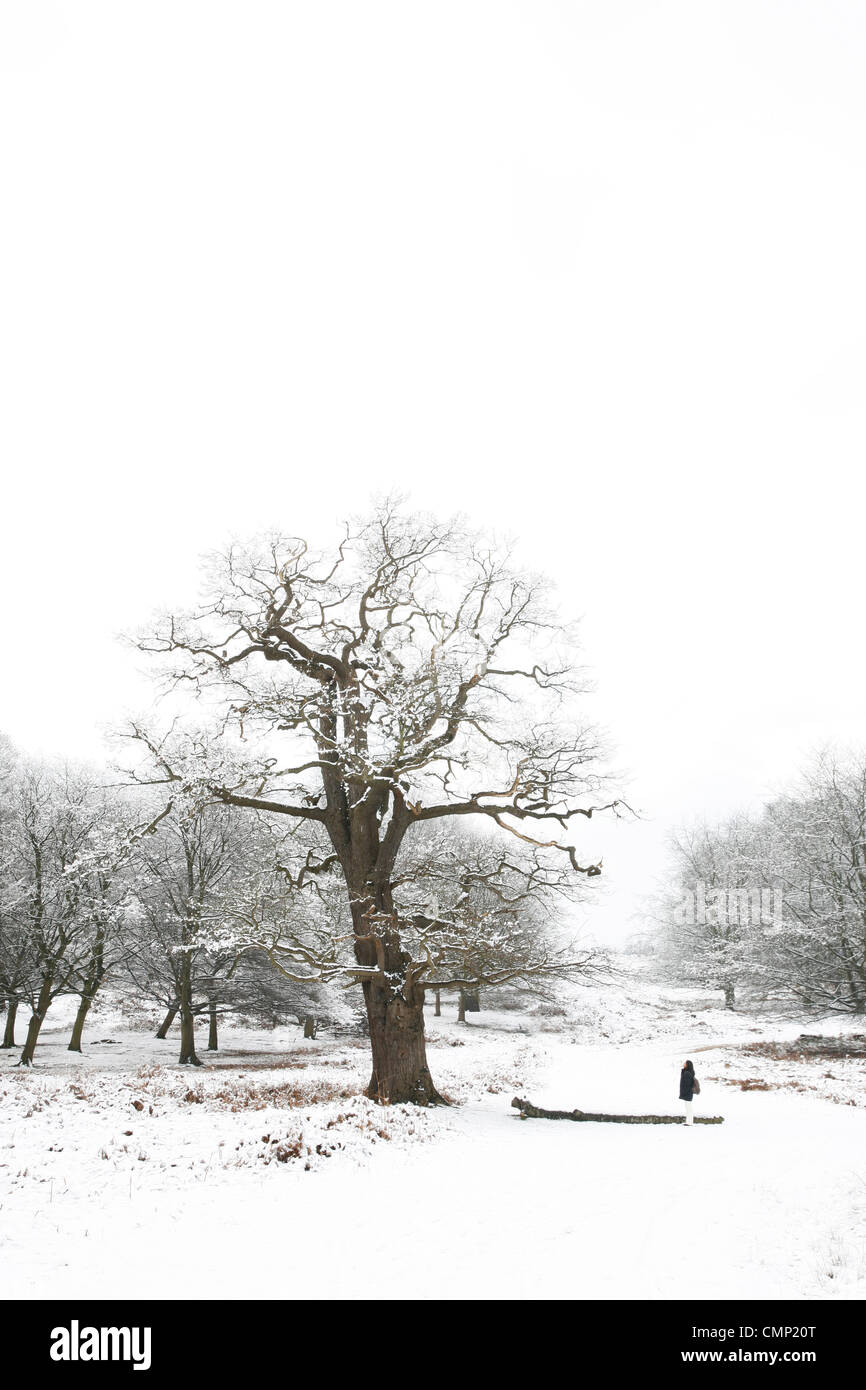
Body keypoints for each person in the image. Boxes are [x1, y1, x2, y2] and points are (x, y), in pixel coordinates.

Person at [679, 1059, 698, 1126]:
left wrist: (684, 1093)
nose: (683, 1064)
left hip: (688, 1093)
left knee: (688, 1108)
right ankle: (688, 1122)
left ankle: (690, 1122)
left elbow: (687, 1084)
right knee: (688, 1107)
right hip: (688, 1093)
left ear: (687, 1065)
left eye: (685, 1063)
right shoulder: (688, 1072)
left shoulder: (687, 1073)